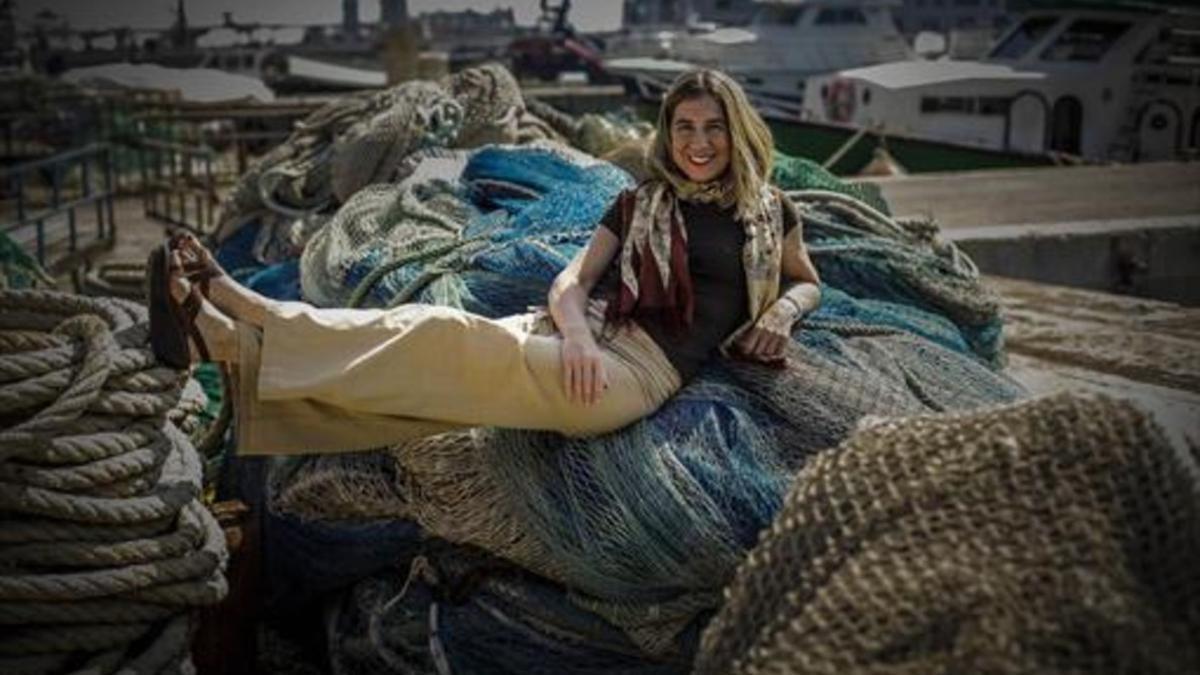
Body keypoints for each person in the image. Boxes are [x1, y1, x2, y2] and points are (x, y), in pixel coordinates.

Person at [148, 68, 821, 455]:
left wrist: (785, 312)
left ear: (736, 131)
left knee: (446, 339)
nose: (698, 143)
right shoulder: (641, 203)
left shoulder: (768, 211)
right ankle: (231, 339)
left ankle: (249, 321)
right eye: (684, 127)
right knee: (425, 353)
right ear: (667, 135)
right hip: (575, 335)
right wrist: (581, 332)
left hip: (630, 377)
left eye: (712, 128)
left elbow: (805, 280)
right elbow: (571, 281)